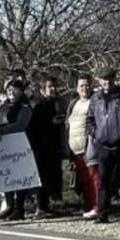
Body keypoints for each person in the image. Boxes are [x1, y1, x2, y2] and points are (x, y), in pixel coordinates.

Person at [87, 68, 120, 224]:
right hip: (103, 145)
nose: (107, 82)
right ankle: (103, 213)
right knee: (104, 181)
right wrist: (96, 133)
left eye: (110, 79)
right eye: (103, 79)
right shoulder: (95, 98)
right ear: (99, 81)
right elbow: (90, 119)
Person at [0, 79, 35, 221]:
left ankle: (19, 209)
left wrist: (0, 130)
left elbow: (20, 125)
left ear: (21, 91)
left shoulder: (25, 107)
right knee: (6, 176)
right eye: (9, 89)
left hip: (19, 146)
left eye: (15, 89)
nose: (11, 91)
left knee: (19, 178)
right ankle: (9, 205)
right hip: (3, 145)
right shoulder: (3, 106)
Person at [27, 75, 66, 217]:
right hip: (40, 146)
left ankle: (47, 204)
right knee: (41, 177)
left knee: (51, 176)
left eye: (54, 86)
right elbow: (35, 125)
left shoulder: (57, 102)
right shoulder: (37, 104)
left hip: (53, 145)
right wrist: (51, 122)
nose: (53, 89)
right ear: (43, 89)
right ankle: (39, 206)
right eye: (50, 87)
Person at [67, 75, 101, 216]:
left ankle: (98, 206)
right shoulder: (73, 103)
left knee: (94, 178)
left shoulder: (95, 101)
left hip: (89, 147)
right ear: (77, 88)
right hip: (75, 149)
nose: (84, 88)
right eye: (81, 86)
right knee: (84, 179)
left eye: (87, 85)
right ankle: (88, 206)